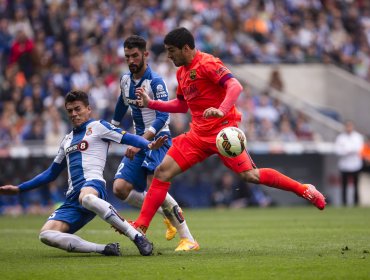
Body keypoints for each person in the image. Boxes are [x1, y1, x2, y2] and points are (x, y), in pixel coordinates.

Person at [132, 27, 326, 239]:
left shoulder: (208, 63)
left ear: (186, 48)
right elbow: (181, 105)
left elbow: (235, 86)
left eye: (171, 50)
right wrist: (152, 103)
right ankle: (141, 225)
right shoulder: (182, 72)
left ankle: (304, 189)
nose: (168, 56)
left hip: (223, 134)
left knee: (250, 175)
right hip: (197, 135)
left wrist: (221, 110)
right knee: (162, 172)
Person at [0, 90, 168, 256]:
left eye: (78, 109)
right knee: (46, 235)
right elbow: (50, 173)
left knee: (86, 197)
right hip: (72, 199)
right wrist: (19, 189)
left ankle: (137, 236)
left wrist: (148, 145)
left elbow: (129, 138)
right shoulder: (66, 140)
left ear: (88, 109)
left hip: (92, 186)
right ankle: (104, 249)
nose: (74, 114)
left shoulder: (98, 127)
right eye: (70, 111)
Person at [111, 35, 198, 251]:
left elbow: (162, 118)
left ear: (145, 55)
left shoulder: (155, 82)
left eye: (135, 56)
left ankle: (187, 237)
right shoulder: (125, 80)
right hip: (139, 140)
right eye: (127, 56)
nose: (131, 60)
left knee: (156, 185)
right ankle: (163, 214)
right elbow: (122, 103)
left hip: (158, 139)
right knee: (119, 189)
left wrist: (141, 140)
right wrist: (112, 127)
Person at [334, 120, 364, 206]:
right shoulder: (340, 137)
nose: (349, 128)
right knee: (344, 186)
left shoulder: (358, 137)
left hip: (355, 165)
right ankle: (344, 203)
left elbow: (359, 149)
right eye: (347, 126)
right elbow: (338, 150)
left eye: (350, 126)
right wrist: (347, 151)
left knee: (356, 185)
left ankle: (356, 203)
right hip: (344, 165)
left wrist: (348, 150)